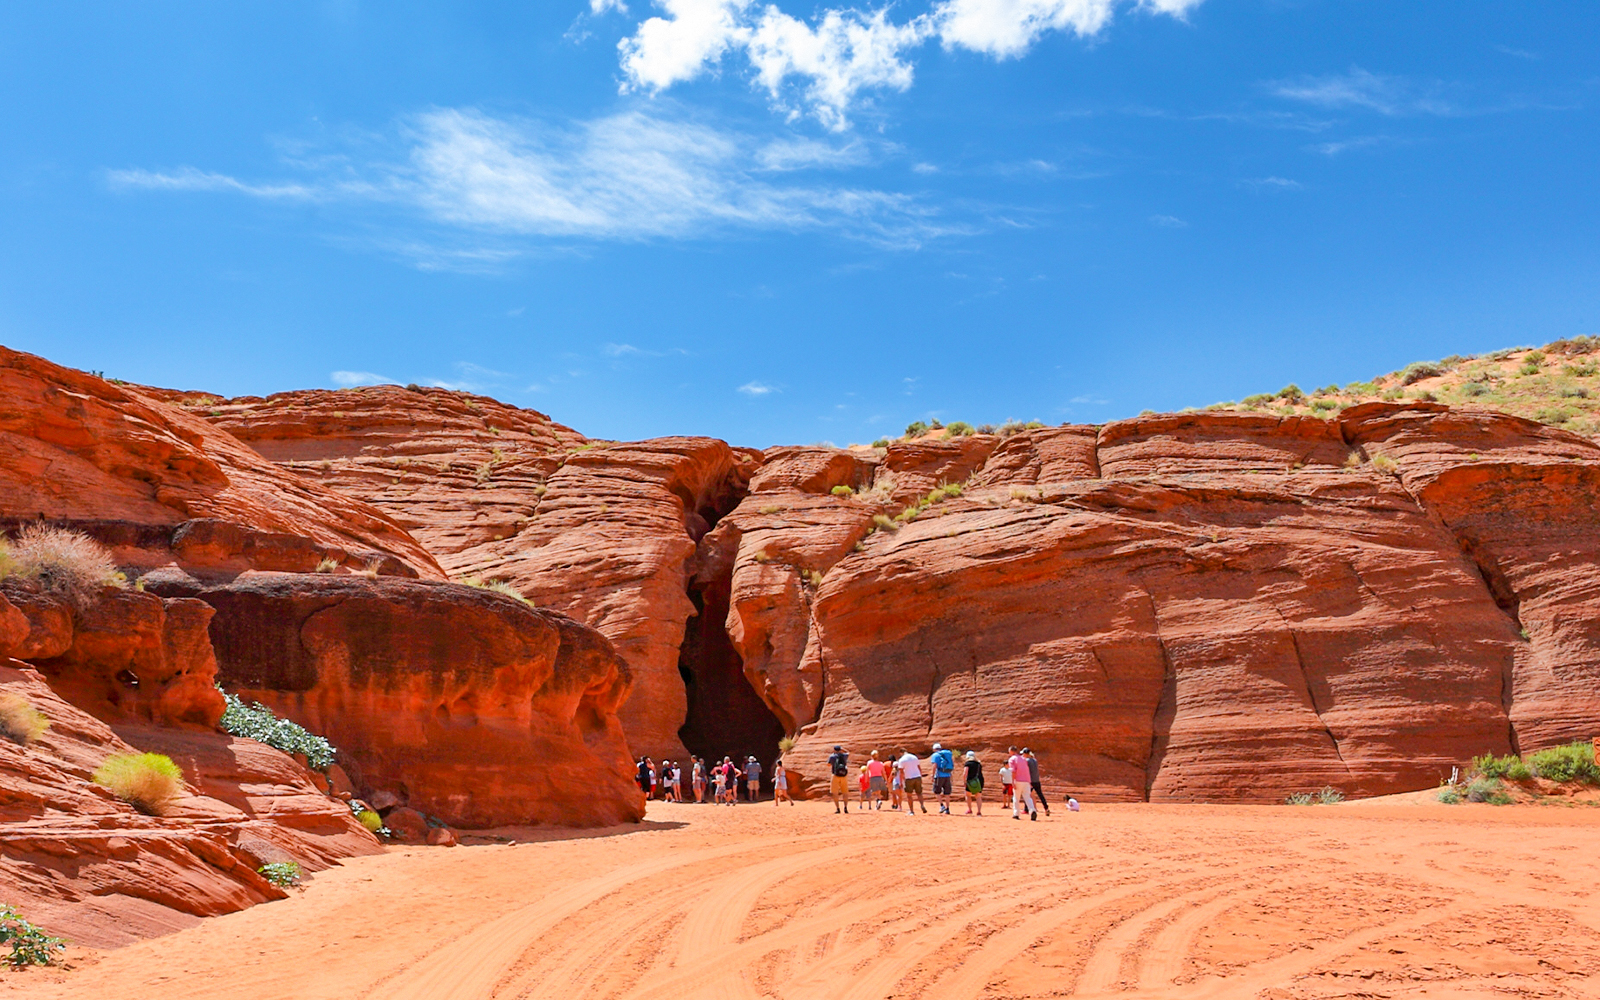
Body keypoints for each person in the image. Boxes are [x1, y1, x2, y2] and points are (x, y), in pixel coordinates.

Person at [1007, 746, 1036, 820]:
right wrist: (1029, 781)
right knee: (1027, 797)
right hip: (1026, 781)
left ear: (1012, 751)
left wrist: (1013, 781)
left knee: (1016, 798)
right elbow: (1027, 771)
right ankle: (1032, 810)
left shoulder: (1012, 759)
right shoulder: (1023, 759)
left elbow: (1013, 771)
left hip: (1018, 780)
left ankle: (1016, 814)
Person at [897, 747, 926, 815]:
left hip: (909, 778)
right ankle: (922, 805)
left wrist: (901, 782)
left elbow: (901, 772)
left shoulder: (902, 760)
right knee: (919, 793)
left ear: (901, 753)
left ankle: (911, 811)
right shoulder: (914, 757)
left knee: (909, 795)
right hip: (917, 776)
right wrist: (920, 776)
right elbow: (919, 767)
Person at [930, 742, 956, 815]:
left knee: (937, 791)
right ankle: (947, 809)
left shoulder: (935, 755)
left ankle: (942, 805)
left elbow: (934, 765)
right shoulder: (947, 754)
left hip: (939, 776)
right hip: (947, 775)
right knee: (947, 793)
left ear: (934, 749)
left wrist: (932, 775)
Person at [1024, 748, 1050, 817]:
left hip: (1031, 781)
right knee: (1040, 795)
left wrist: (1028, 781)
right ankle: (1046, 808)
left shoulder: (1027, 761)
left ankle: (1026, 809)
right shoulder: (1035, 760)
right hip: (1037, 780)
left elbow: (1028, 772)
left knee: (1027, 795)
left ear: (1026, 754)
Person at [828, 745, 850, 814]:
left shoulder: (832, 756)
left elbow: (828, 764)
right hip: (844, 776)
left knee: (835, 793)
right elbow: (848, 752)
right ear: (840, 749)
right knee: (845, 793)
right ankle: (845, 807)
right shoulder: (844, 755)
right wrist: (843, 749)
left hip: (835, 775)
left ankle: (838, 808)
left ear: (834, 750)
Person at [963, 750, 984, 816]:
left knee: (968, 795)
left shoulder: (968, 763)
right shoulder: (978, 764)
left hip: (970, 781)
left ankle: (970, 809)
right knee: (978, 796)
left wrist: (964, 781)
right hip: (979, 781)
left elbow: (965, 773)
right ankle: (979, 811)